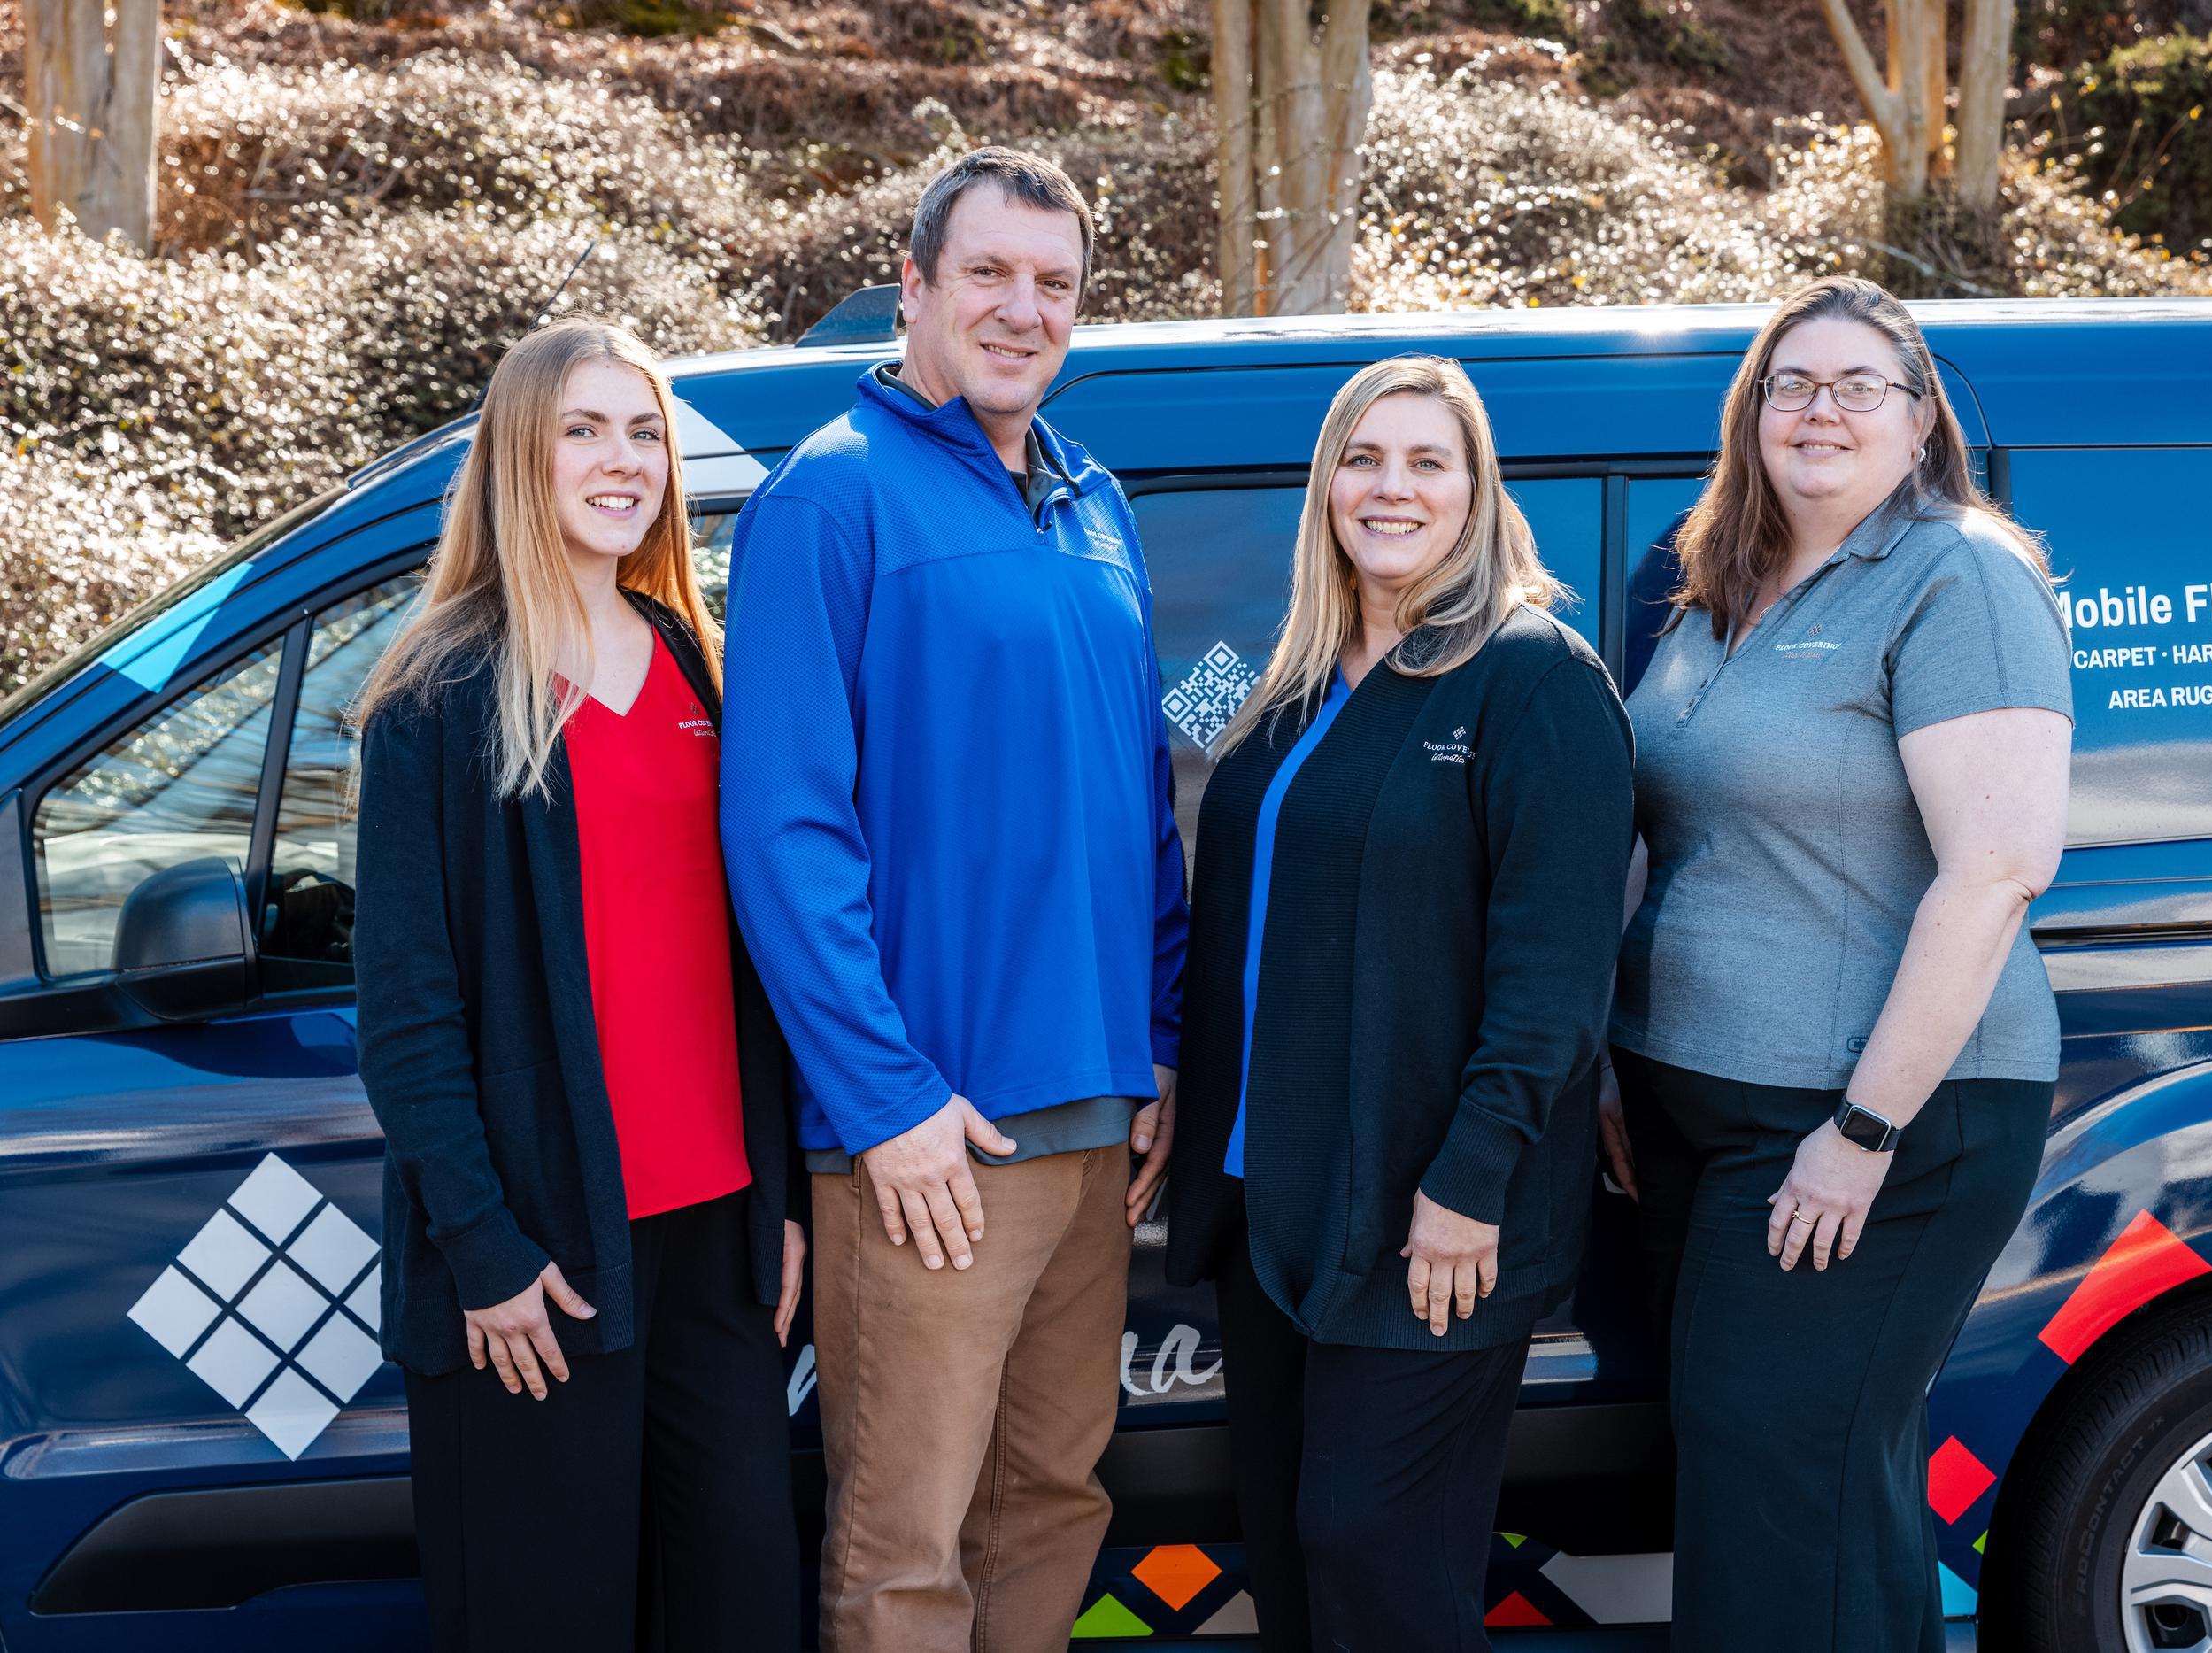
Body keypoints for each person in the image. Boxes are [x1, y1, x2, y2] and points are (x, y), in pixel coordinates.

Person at [717, 147, 1187, 1653]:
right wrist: (882, 1100)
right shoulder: (830, 498)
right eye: (987, 273)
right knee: (904, 1550)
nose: (1021, 308)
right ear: (913, 285)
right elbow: (785, 830)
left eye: (1054, 284)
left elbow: (1141, 801)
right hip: (931, 1145)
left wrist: (1162, 1038)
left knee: (1048, 1507)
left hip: (1096, 1125)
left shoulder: (1098, 500)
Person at [1600, 274, 2073, 1651]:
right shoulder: (1723, 590)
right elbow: (1669, 830)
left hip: (1872, 1115)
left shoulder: (1958, 574)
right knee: (1802, 1479)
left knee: (1774, 1466)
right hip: (1705, 1105)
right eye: (1789, 383)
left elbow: (1996, 872)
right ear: (1751, 414)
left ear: (1920, 420)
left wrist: (1863, 1130)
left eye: (1858, 385)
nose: (1820, 409)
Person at [1163, 355, 1636, 1653]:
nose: (1393, 487)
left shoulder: (1534, 678)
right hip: (1276, 1209)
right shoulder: (1296, 683)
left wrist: (1470, 1180)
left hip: (1431, 1218)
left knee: (1378, 1554)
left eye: (1429, 461)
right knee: (1297, 1551)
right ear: (1326, 486)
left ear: (1478, 491)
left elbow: (1555, 980)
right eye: (1365, 459)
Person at [353, 317, 805, 1653]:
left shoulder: (697, 658)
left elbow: (754, 960)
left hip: (718, 1245)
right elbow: (409, 1013)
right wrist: (484, 1252)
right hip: (541, 1266)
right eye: (585, 430)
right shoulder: (439, 694)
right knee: (549, 1616)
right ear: (518, 458)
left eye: (645, 430)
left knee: (738, 1610)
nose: (625, 459)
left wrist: (777, 1201)